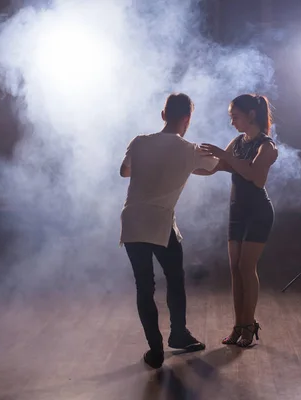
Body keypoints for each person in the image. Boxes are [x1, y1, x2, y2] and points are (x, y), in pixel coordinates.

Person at [119, 93, 219, 369]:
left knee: (144, 285)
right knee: (175, 278)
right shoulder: (190, 149)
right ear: (187, 119)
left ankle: (155, 349)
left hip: (132, 220)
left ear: (163, 115)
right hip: (160, 222)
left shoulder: (139, 142)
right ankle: (178, 333)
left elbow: (124, 172)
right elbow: (212, 169)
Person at [199, 94, 278, 347]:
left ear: (251, 115)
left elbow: (255, 177)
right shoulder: (237, 143)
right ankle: (238, 325)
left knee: (246, 267)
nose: (232, 122)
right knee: (235, 270)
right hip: (237, 212)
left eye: (235, 117)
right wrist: (182, 162)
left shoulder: (267, 146)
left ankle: (249, 324)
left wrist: (226, 155)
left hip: (258, 212)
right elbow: (214, 167)